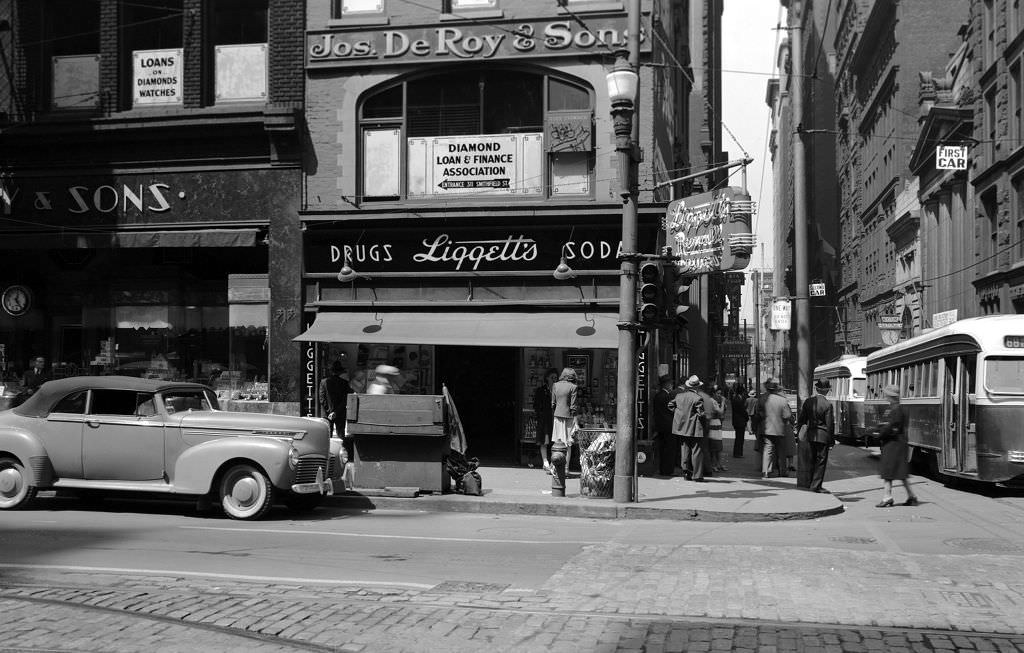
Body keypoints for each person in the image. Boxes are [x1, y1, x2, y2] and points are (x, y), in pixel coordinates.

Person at [875, 384, 919, 507]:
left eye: (887, 395)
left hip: (893, 443)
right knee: (900, 473)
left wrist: (880, 434)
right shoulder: (897, 408)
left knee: (888, 471)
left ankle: (887, 496)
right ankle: (911, 496)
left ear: (891, 396)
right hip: (897, 443)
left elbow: (892, 426)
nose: (885, 396)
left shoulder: (896, 409)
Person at [796, 378, 835, 492]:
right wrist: (831, 441)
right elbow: (830, 425)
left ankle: (809, 483)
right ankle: (816, 485)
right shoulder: (827, 405)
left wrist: (799, 431)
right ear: (827, 390)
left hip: (811, 435)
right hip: (822, 436)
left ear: (816, 389)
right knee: (821, 461)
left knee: (812, 459)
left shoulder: (808, 402)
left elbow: (802, 419)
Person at [669, 375, 706, 481]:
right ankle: (697, 475)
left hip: (681, 427)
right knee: (696, 450)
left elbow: (670, 406)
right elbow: (701, 413)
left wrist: (679, 415)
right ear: (697, 387)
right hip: (694, 428)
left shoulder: (679, 396)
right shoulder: (697, 398)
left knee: (684, 449)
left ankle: (686, 472)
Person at [755, 377, 792, 478]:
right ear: (776, 389)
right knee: (781, 451)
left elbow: (757, 413)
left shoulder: (762, 399)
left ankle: (766, 471)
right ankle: (782, 471)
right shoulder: (782, 400)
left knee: (768, 449)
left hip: (766, 428)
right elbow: (787, 415)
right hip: (779, 429)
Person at [550, 368, 580, 471]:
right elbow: (573, 406)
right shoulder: (573, 387)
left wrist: (556, 411)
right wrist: (575, 419)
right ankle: (565, 468)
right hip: (568, 417)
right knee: (568, 444)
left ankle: (554, 466)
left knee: (557, 442)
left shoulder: (555, 385)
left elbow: (553, 403)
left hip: (557, 416)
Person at [533, 368, 559, 473]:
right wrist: (540, 413)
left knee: (555, 441)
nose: (554, 379)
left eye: (556, 378)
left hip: (556, 418)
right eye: (552, 377)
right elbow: (536, 405)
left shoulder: (558, 390)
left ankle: (553, 462)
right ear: (547, 378)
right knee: (544, 440)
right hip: (544, 418)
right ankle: (545, 462)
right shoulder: (541, 390)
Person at [652, 374, 678, 476]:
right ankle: (668, 470)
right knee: (670, 449)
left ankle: (663, 469)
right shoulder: (668, 396)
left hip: (660, 426)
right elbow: (672, 410)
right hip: (669, 426)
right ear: (666, 385)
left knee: (663, 448)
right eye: (671, 384)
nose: (672, 385)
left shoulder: (657, 396)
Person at [703, 382, 725, 473]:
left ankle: (717, 464)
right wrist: (723, 402)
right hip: (714, 423)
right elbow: (720, 412)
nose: (719, 395)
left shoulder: (713, 400)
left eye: (720, 393)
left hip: (716, 423)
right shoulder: (713, 401)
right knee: (715, 445)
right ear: (713, 393)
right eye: (718, 393)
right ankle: (714, 464)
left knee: (717, 445)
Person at [730, 386, 749, 458]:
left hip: (736, 420)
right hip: (740, 421)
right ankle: (738, 453)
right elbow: (742, 411)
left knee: (738, 437)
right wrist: (747, 417)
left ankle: (737, 452)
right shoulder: (739, 400)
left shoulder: (735, 398)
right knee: (740, 438)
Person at [745, 388, 760, 455]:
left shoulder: (747, 399)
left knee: (748, 421)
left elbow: (745, 405)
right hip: (753, 412)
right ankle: (753, 430)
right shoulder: (756, 400)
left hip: (748, 411)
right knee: (753, 421)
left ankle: (750, 431)